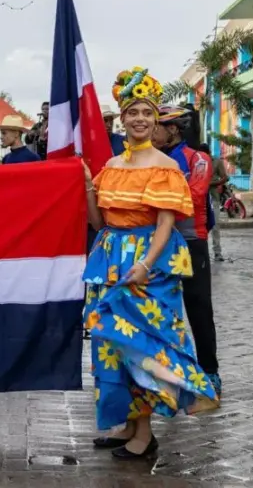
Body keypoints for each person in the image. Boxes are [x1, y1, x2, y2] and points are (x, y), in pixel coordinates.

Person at [83, 67, 218, 460]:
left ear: (156, 120)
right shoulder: (111, 166)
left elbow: (165, 224)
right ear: (122, 119)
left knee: (141, 344)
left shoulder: (165, 166)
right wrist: (87, 185)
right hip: (110, 260)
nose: (139, 119)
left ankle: (144, 434)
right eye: (133, 112)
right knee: (111, 346)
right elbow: (99, 223)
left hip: (148, 267)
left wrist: (145, 264)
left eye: (147, 112)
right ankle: (126, 424)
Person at [152, 105, 220, 396]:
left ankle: (210, 371)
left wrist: (153, 202)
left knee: (198, 307)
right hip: (155, 242)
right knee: (160, 309)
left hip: (191, 241)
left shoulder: (198, 159)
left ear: (173, 129)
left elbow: (193, 196)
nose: (150, 131)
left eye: (156, 127)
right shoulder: (147, 158)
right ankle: (165, 372)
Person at [201, 143, 227, 262]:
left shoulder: (217, 162)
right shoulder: (197, 161)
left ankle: (217, 252)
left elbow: (225, 177)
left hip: (213, 197)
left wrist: (212, 183)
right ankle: (203, 252)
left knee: (215, 226)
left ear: (209, 153)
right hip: (200, 198)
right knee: (201, 227)